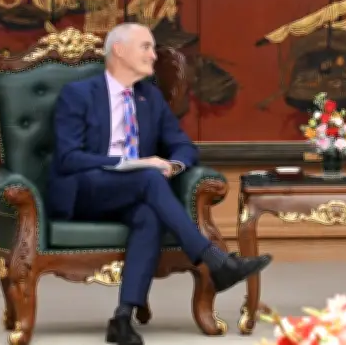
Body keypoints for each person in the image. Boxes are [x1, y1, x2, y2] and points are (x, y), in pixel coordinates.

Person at [48, 22, 272, 345]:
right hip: (85, 191)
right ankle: (214, 260)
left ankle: (122, 318)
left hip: (134, 190)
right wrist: (132, 164)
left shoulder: (149, 97)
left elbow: (183, 145)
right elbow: (69, 158)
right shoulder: (79, 94)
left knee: (149, 215)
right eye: (146, 47)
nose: (154, 55)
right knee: (148, 178)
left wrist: (174, 165)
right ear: (119, 51)